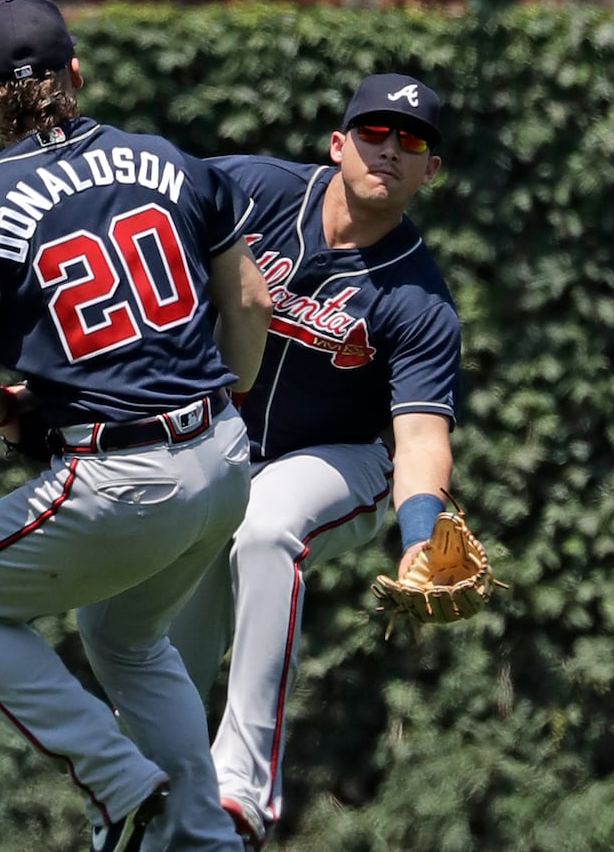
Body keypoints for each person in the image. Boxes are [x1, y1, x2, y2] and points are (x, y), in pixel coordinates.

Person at [0, 0, 271, 852]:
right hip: (222, 461)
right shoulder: (171, 162)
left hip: (121, 478)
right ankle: (201, 838)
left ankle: (111, 779)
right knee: (126, 638)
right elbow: (250, 301)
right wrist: (228, 409)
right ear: (77, 71)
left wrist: (8, 421)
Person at [159, 73, 460, 850]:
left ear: (431, 172)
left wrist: (421, 534)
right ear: (337, 143)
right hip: (220, 456)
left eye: (412, 142)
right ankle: (148, 811)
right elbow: (146, 203)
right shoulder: (252, 191)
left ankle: (244, 787)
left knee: (265, 528)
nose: (389, 150)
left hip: (340, 464)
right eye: (373, 133)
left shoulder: (419, 299)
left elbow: (420, 435)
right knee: (162, 676)